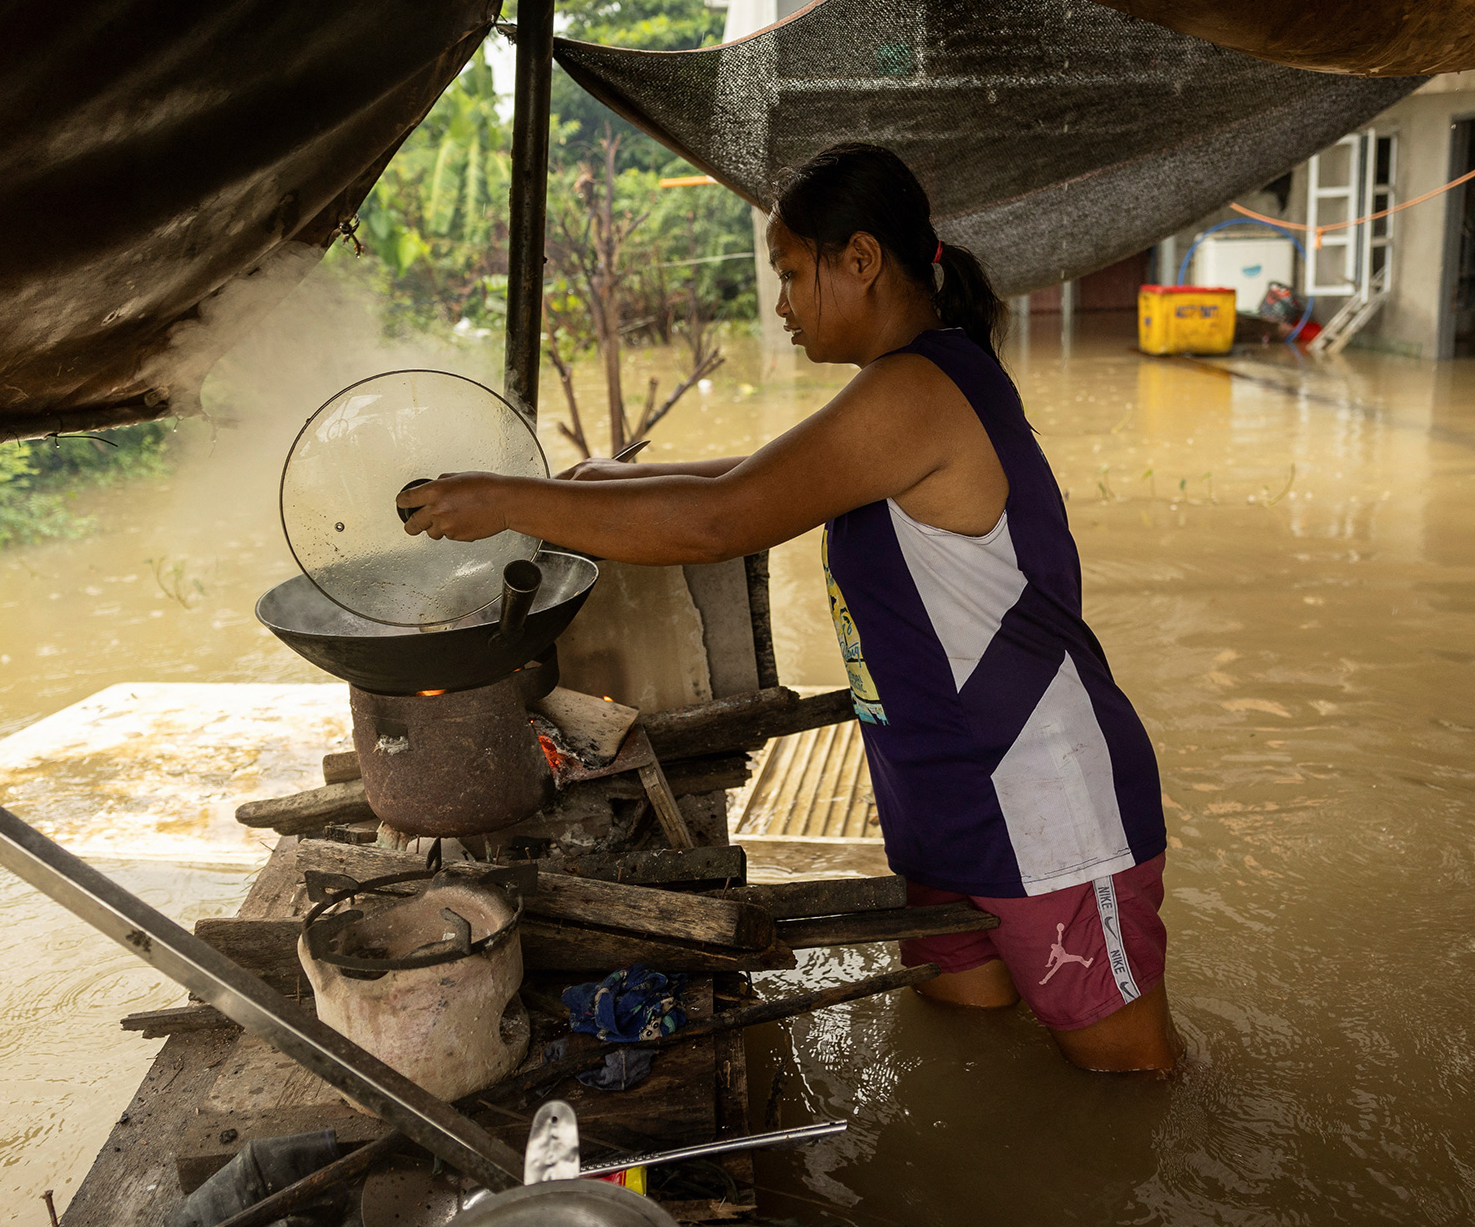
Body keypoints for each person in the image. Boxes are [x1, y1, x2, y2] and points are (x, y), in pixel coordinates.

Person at [399, 142, 1179, 1072]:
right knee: (970, 1064)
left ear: (860, 259)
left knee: (1137, 1091)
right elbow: (760, 478)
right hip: (948, 801)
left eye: (791, 273)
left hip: (1047, 811)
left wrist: (506, 500)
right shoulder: (903, 389)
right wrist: (613, 481)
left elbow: (724, 518)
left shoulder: (919, 389)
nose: (781, 304)